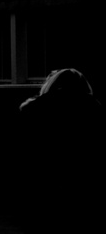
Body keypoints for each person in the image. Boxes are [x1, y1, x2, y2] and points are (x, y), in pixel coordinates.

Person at [16, 67, 102, 218]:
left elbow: (26, 115)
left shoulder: (38, 104)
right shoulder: (91, 104)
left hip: (47, 157)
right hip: (82, 158)